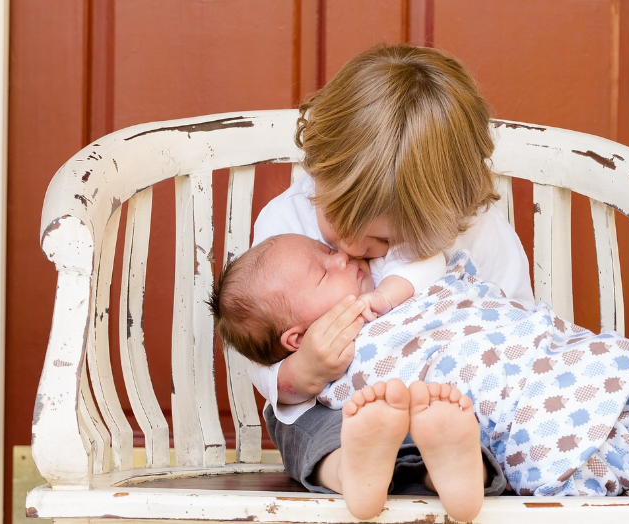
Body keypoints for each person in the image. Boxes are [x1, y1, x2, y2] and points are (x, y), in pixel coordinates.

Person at [224, 43, 535, 520]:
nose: (348, 247)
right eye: (335, 220)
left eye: (382, 239)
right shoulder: (286, 222)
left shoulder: (476, 231)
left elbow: (517, 325)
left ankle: (452, 468)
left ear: (445, 212)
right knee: (302, 423)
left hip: (452, 398)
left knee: (469, 424)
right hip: (348, 410)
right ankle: (351, 468)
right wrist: (301, 372)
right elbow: (262, 342)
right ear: (317, 170)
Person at [213, 235, 629, 499]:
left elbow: (435, 270)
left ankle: (450, 467)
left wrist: (387, 295)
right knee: (372, 412)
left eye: (327, 249)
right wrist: (309, 367)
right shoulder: (330, 336)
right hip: (471, 399)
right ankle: (438, 466)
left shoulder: (390, 269)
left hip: (525, 358)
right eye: (323, 272)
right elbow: (280, 388)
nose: (341, 256)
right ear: (295, 339)